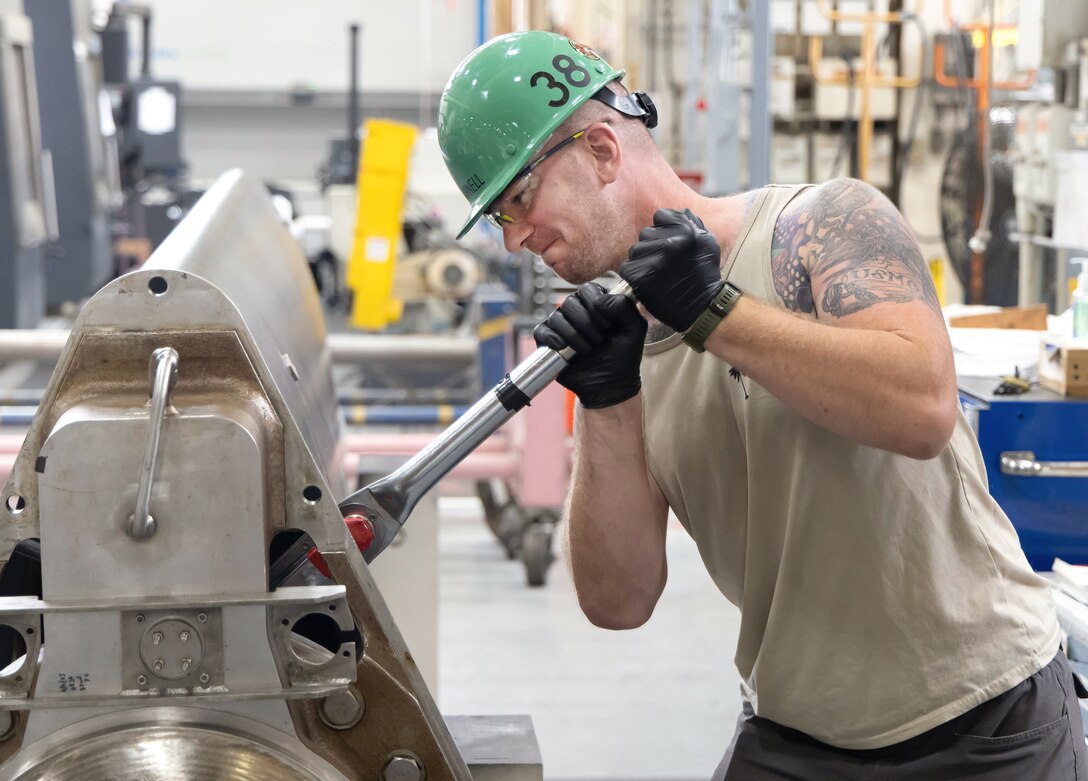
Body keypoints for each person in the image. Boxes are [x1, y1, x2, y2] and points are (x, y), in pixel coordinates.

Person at [438, 30, 1086, 779]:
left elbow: (924, 407)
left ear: (603, 150)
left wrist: (712, 312)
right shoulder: (622, 346)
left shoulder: (819, 226)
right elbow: (618, 602)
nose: (515, 239)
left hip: (983, 721)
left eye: (520, 199)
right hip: (797, 727)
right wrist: (607, 401)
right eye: (500, 218)